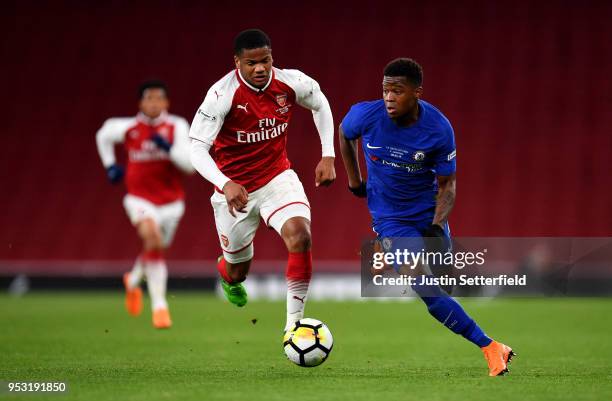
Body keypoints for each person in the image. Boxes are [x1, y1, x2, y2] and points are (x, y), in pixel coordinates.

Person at [338, 58, 515, 376]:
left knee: (442, 273)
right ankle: (490, 346)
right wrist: (354, 179)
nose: (389, 98)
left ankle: (389, 249)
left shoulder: (438, 129)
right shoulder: (366, 115)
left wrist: (436, 225)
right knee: (423, 284)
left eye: (397, 91)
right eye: (385, 90)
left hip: (427, 213)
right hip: (389, 216)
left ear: (416, 93)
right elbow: (345, 133)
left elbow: (448, 186)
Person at [189, 29, 335, 331]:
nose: (259, 68)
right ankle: (227, 273)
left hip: (277, 178)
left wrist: (328, 155)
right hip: (235, 192)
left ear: (272, 58)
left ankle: (294, 327)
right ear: (237, 63)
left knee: (301, 236)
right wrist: (225, 182)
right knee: (238, 271)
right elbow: (196, 149)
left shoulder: (290, 82)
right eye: (251, 63)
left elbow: (320, 103)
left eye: (265, 61)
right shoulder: (221, 95)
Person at [95, 80, 194, 329]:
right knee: (152, 239)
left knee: (156, 248)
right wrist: (109, 165)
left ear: (166, 102)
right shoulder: (127, 127)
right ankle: (160, 307)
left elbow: (190, 167)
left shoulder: (177, 126)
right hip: (139, 198)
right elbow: (103, 135)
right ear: (140, 103)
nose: (153, 103)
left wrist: (169, 149)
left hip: (172, 204)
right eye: (149, 99)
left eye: (158, 98)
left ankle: (133, 281)